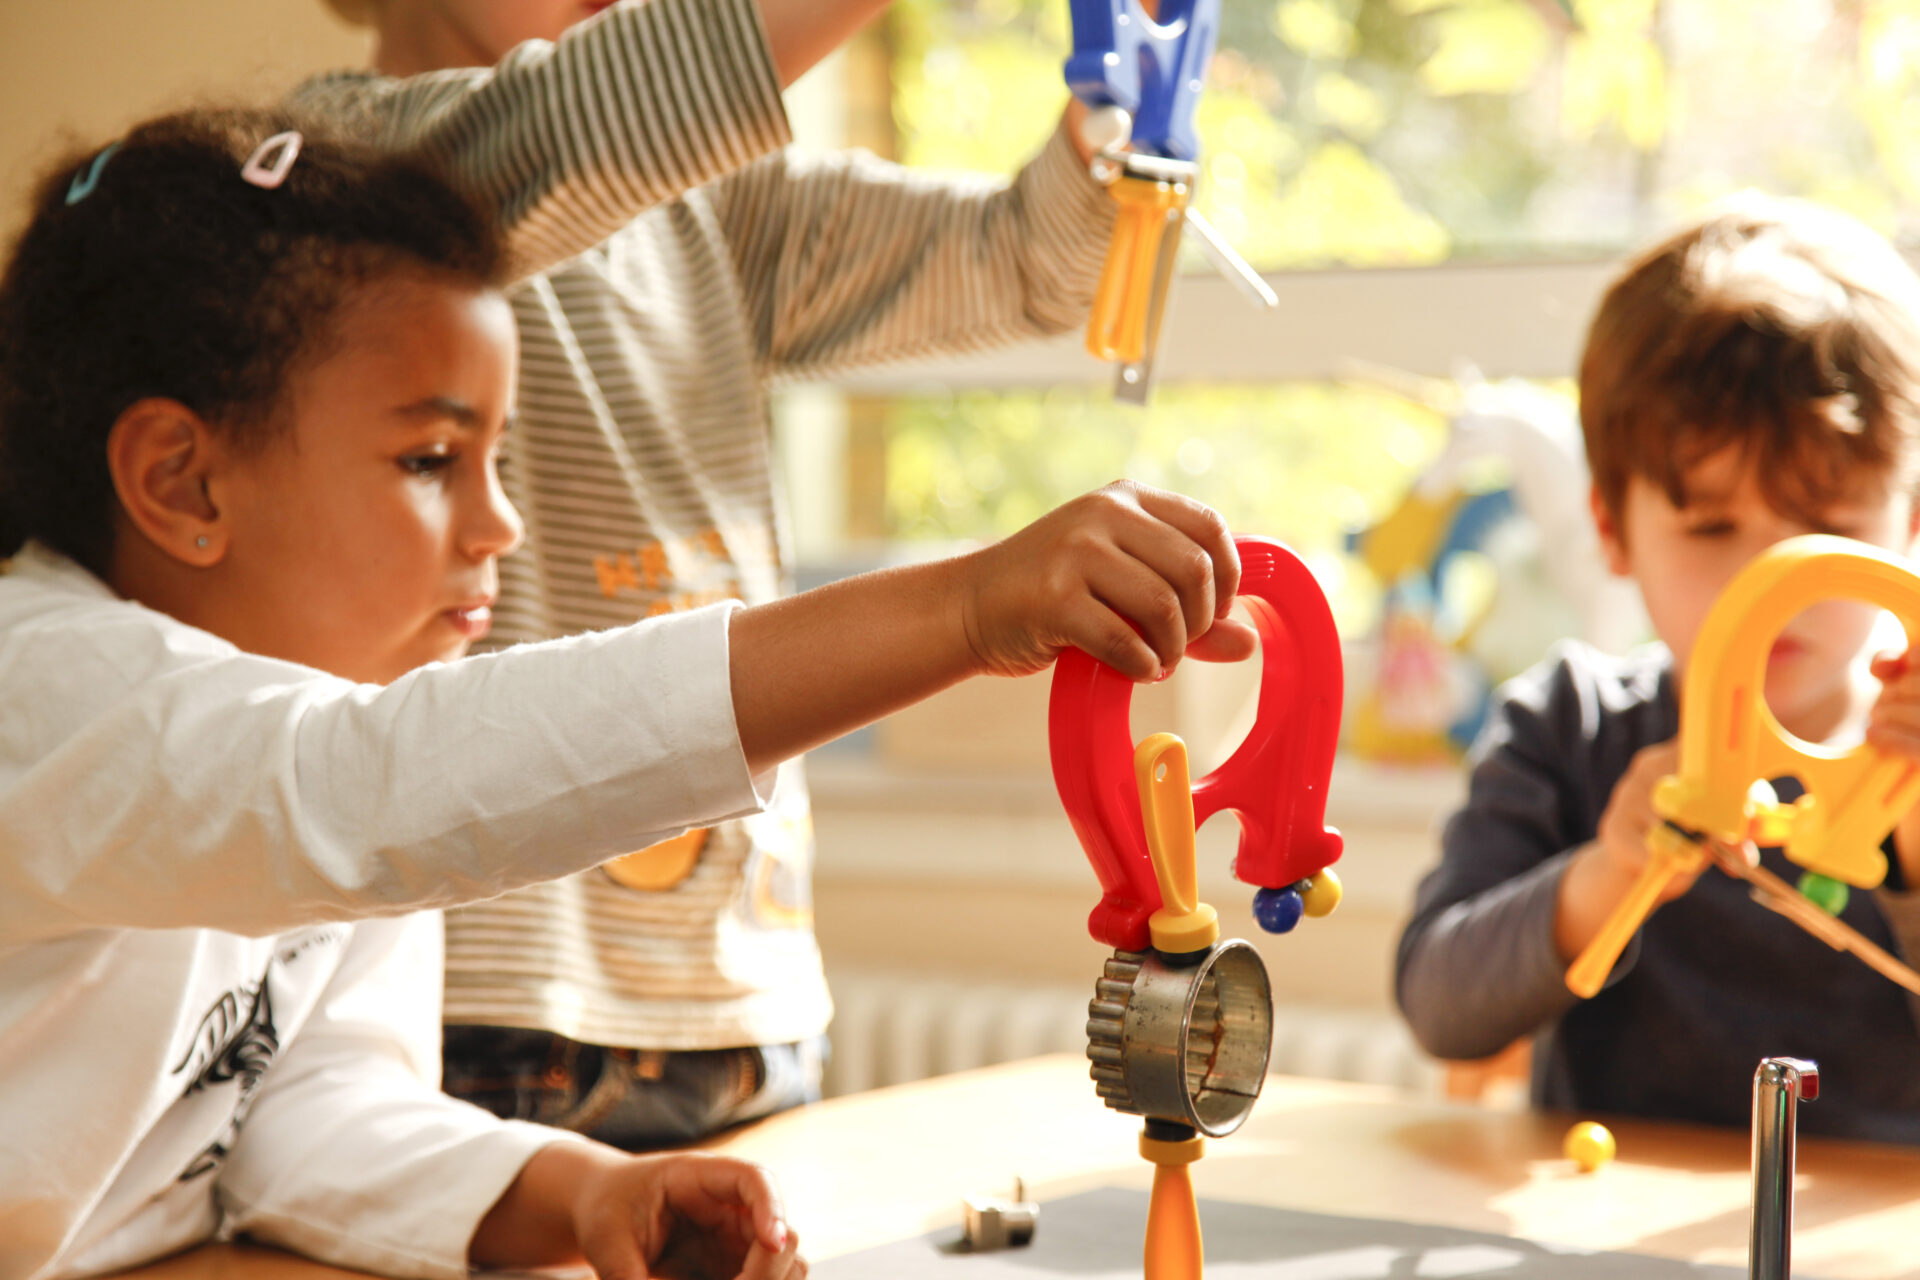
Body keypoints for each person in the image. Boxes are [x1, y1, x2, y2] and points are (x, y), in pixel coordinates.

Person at [0, 108, 1249, 1280]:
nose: (501, 522)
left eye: (497, 455)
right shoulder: (40, 681)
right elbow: (367, 780)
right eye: (430, 458)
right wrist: (960, 611)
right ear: (182, 482)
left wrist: (584, 1189)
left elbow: (308, 1114)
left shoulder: (327, 730)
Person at [294, 0, 1123, 1144]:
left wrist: (1107, 132)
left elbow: (1021, 261)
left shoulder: (714, 210)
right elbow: (642, 93)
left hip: (744, 1000)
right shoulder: (351, 178)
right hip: (497, 1006)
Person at [1394, 193, 1920, 1141]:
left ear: (1909, 521)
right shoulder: (1573, 726)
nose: (1769, 583)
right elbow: (1438, 1005)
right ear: (1613, 531)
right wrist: (1605, 873)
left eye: (1829, 529)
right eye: (1712, 527)